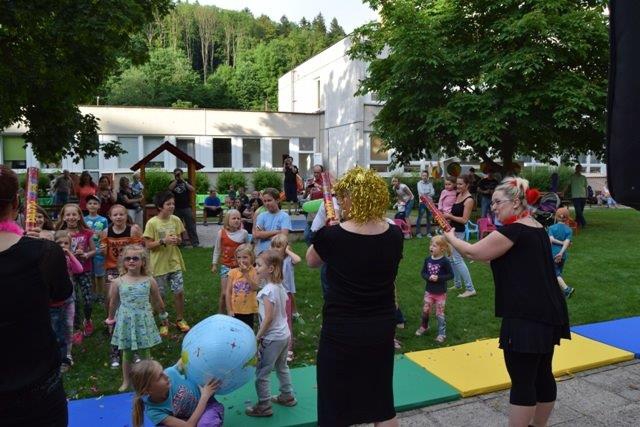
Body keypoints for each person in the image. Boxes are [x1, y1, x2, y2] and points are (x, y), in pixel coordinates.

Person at [444, 176, 570, 427]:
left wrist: (451, 237)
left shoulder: (513, 231)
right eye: (492, 202)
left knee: (523, 380)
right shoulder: (536, 227)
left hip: (525, 315)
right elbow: (511, 260)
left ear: (515, 202)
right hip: (548, 311)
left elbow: (472, 251)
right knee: (542, 373)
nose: (493, 207)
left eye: (497, 202)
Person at [306, 166, 403, 427]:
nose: (339, 202)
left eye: (342, 197)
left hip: (342, 327)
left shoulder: (332, 235)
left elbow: (311, 261)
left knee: (334, 403)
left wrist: (328, 229)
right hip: (381, 324)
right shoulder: (395, 234)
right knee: (381, 401)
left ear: (352, 198)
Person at [0, 165, 73, 426]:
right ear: (16, 204)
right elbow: (60, 297)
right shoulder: (46, 254)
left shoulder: (44, 252)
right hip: (38, 386)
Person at [107, 245, 167, 391]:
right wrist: (110, 318)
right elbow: (113, 302)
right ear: (123, 262)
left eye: (135, 258)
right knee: (127, 353)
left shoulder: (149, 280)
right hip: (126, 322)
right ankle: (126, 380)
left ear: (143, 262)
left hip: (143, 321)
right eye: (128, 258)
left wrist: (162, 315)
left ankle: (148, 380)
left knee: (145, 352)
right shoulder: (118, 282)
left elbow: (158, 300)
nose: (131, 261)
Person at [246, 249, 297, 417]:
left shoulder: (268, 291)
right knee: (282, 367)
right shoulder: (279, 286)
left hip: (272, 338)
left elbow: (268, 318)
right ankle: (287, 396)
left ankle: (264, 406)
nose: (256, 267)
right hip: (284, 335)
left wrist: (257, 336)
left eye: (259, 265)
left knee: (262, 373)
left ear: (270, 269)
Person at [100, 204, 144, 368]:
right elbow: (103, 253)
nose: (118, 217)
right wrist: (102, 248)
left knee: (130, 304)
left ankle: (133, 348)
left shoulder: (133, 230)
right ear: (110, 217)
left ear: (126, 216)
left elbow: (139, 251)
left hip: (128, 268)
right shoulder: (106, 232)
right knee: (112, 300)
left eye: (121, 214)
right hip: (112, 269)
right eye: (115, 215)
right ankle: (111, 325)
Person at [143, 191, 191, 333]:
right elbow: (148, 245)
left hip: (174, 263)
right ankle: (163, 322)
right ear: (160, 207)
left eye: (173, 204)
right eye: (168, 204)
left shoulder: (176, 220)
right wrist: (163, 241)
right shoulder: (152, 223)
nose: (172, 206)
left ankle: (180, 319)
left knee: (179, 292)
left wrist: (178, 240)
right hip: (158, 266)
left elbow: (181, 239)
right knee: (160, 296)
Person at [130, 359, 223, 427]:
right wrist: (204, 396)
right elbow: (188, 425)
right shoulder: (154, 411)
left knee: (205, 424)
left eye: (162, 371)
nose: (166, 376)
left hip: (208, 406)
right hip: (190, 417)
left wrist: (194, 347)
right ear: (147, 390)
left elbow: (184, 359)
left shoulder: (170, 373)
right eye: (159, 377)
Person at [56, 203, 97, 340]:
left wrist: (86, 254)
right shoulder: (60, 233)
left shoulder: (87, 232)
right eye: (68, 214)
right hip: (68, 272)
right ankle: (77, 328)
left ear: (79, 216)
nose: (71, 217)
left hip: (85, 270)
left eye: (74, 214)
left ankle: (88, 319)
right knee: (74, 300)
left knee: (87, 299)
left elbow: (93, 250)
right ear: (63, 217)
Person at [52, 230, 82, 373]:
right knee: (55, 327)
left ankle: (68, 354)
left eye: (66, 243)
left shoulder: (69, 258)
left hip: (69, 299)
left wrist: (70, 254)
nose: (63, 246)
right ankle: (55, 353)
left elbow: (79, 269)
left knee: (68, 326)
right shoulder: (51, 258)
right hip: (55, 299)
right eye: (59, 243)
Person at [442, 175, 477, 298]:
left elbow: (464, 220)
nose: (458, 186)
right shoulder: (458, 195)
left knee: (457, 259)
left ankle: (470, 289)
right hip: (451, 230)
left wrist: (450, 216)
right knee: (451, 258)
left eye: (461, 184)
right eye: (457, 183)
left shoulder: (469, 200)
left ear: (467, 185)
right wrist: (447, 217)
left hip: (458, 232)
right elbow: (454, 213)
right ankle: (457, 284)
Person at [415, 235, 454, 343]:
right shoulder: (427, 259)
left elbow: (451, 275)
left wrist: (439, 278)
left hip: (440, 293)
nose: (431, 247)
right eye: (431, 245)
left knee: (439, 314)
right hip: (429, 291)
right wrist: (428, 277)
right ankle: (424, 326)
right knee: (425, 311)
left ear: (442, 248)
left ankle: (441, 334)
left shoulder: (445, 261)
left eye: (434, 246)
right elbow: (423, 273)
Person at [271, 234, 303, 362]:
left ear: (286, 247)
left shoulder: (289, 260)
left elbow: (298, 260)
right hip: (274, 294)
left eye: (279, 246)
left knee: (286, 321)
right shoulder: (272, 260)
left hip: (286, 295)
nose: (276, 249)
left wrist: (288, 251)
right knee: (275, 320)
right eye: (274, 246)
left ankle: (289, 348)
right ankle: (276, 347)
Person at [211, 209, 250, 313]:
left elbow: (249, 250)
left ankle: (237, 313)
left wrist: (249, 264)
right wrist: (214, 264)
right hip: (226, 266)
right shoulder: (221, 233)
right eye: (234, 218)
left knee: (238, 292)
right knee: (224, 293)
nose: (236, 220)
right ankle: (220, 314)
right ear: (227, 220)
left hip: (240, 268)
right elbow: (217, 249)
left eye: (238, 218)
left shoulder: (244, 233)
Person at [225, 244, 259, 328]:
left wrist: (246, 274)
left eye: (245, 257)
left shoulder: (255, 271)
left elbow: (255, 288)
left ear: (252, 258)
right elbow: (228, 292)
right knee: (235, 330)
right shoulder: (232, 272)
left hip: (248, 310)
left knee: (247, 330)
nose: (241, 260)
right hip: (235, 310)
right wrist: (229, 310)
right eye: (239, 257)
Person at [253, 187, 292, 255]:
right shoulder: (261, 216)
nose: (267, 203)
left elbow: (283, 237)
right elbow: (257, 234)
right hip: (262, 252)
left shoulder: (284, 216)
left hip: (278, 253)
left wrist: (264, 235)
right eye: (265, 201)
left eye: (269, 200)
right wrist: (277, 231)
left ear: (277, 200)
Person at [84, 195, 108, 303]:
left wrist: (104, 247)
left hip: (99, 251)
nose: (92, 205)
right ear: (86, 206)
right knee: (91, 274)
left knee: (100, 274)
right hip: (88, 251)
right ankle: (93, 295)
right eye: (90, 203)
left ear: (99, 206)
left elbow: (105, 235)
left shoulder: (103, 220)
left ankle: (101, 295)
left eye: (95, 203)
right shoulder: (84, 220)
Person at [548, 207, 575, 298]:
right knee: (558, 272)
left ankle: (567, 289)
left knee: (555, 273)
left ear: (556, 217)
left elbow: (551, 239)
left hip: (552, 254)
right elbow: (567, 243)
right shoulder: (569, 230)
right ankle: (555, 290)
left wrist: (558, 250)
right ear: (567, 218)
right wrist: (561, 252)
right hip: (562, 255)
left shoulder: (551, 228)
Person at [169, 168, 199, 247]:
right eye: (176, 174)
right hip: (176, 208)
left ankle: (195, 243)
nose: (178, 175)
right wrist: (176, 180)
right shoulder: (172, 182)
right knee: (177, 226)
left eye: (179, 174)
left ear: (182, 174)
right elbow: (170, 188)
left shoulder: (186, 182)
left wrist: (183, 180)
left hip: (186, 207)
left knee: (191, 225)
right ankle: (180, 243)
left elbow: (192, 189)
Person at [416, 171, 435, 238]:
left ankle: (428, 233)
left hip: (430, 203)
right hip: (422, 203)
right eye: (423, 175)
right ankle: (418, 233)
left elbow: (433, 193)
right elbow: (421, 193)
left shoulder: (430, 184)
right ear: (421, 176)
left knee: (429, 218)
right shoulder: (419, 183)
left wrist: (426, 194)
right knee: (420, 218)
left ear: (427, 176)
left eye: (426, 176)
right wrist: (428, 193)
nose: (424, 177)